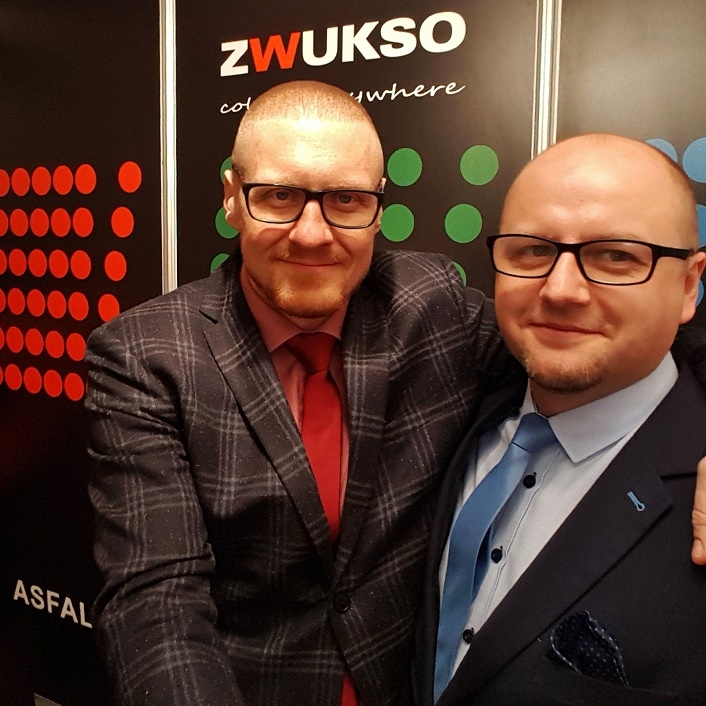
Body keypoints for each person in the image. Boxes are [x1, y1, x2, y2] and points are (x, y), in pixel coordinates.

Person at [85, 80, 520, 706]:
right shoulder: (145, 355)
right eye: (280, 196)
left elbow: (579, 350)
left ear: (378, 207)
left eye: (346, 199)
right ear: (232, 197)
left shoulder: (433, 303)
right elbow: (156, 602)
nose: (312, 234)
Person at [416, 134, 706, 706]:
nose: (561, 290)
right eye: (532, 250)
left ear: (689, 284)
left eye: (616, 256)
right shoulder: (458, 407)